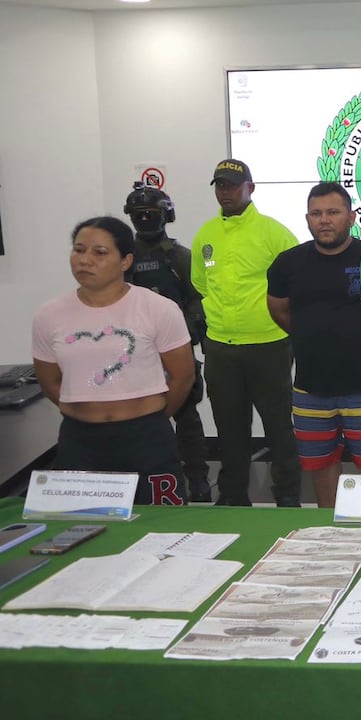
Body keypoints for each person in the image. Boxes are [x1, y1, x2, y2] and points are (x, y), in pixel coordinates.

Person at [32, 217, 196, 506]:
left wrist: (150, 419)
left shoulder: (158, 309)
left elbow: (182, 376)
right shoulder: (49, 315)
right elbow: (49, 381)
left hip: (146, 438)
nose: (85, 260)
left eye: (99, 252)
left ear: (125, 261)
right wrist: (88, 410)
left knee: (161, 525)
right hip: (79, 439)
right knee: (78, 525)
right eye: (79, 250)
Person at [191, 158, 302, 507]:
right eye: (220, 185)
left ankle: (286, 498)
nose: (225, 192)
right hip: (221, 348)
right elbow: (200, 283)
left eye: (232, 185)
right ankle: (233, 497)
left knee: (278, 428)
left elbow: (296, 283)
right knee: (229, 429)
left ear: (250, 188)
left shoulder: (274, 233)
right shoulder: (206, 234)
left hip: (268, 346)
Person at [266, 183, 361, 508]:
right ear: (307, 219)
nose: (324, 220)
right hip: (310, 390)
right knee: (320, 465)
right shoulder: (288, 263)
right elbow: (279, 309)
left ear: (352, 217)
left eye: (333, 212)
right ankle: (327, 528)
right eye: (316, 214)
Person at [123, 182, 211, 502]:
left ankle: (198, 480)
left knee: (187, 419)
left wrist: (183, 332)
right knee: (141, 419)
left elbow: (198, 300)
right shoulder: (124, 260)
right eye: (139, 214)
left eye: (151, 213)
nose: (145, 219)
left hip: (176, 351)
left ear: (166, 215)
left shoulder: (180, 257)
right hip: (137, 354)